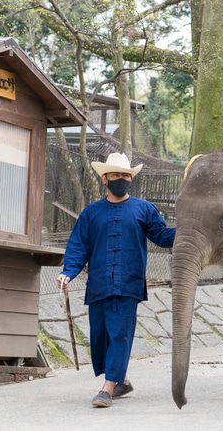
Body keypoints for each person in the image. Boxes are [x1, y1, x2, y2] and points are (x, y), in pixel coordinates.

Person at [57, 152, 176, 407]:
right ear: (104, 178)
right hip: (99, 283)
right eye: (115, 175)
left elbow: (163, 236)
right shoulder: (91, 213)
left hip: (127, 283)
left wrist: (189, 228)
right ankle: (122, 380)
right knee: (100, 336)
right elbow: (79, 246)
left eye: (125, 175)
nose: (121, 179)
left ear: (131, 178)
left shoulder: (144, 209)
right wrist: (68, 272)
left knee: (119, 333)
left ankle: (107, 389)